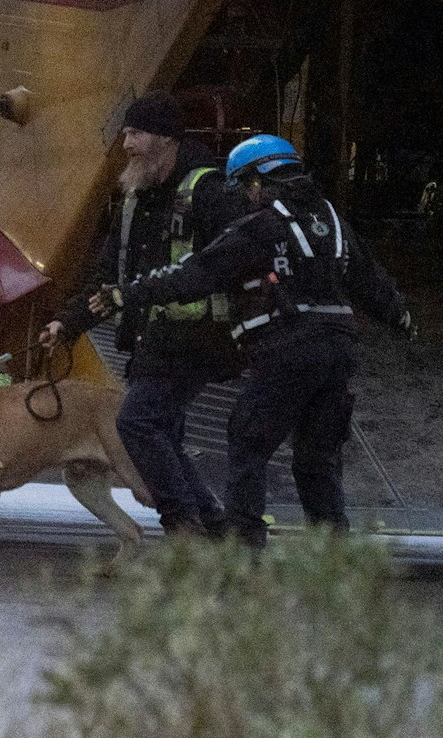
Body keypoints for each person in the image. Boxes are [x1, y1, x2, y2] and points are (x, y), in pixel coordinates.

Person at [95, 134, 414, 546]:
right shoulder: (333, 220)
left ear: (259, 181)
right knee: (317, 458)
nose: (245, 196)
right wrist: (401, 316)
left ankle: (243, 546)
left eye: (245, 186)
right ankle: (334, 555)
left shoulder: (262, 225)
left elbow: (199, 272)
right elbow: (371, 279)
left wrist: (129, 293)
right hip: (340, 351)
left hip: (288, 349)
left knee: (248, 440)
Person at [39, 92, 237, 536]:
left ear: (167, 139)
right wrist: (68, 323)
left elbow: (232, 263)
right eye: (125, 132)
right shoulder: (135, 199)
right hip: (152, 339)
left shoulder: (209, 191)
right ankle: (212, 522)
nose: (126, 143)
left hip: (195, 337)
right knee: (163, 433)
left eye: (136, 133)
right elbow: (108, 277)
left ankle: (181, 522)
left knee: (138, 422)